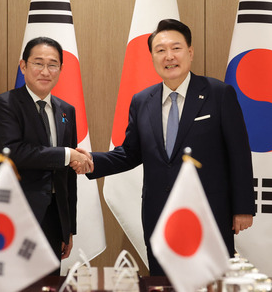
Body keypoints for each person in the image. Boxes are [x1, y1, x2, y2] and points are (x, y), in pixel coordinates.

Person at [76, 19, 255, 276]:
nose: (168, 56)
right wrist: (92, 160)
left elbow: (239, 153)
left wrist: (243, 208)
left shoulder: (219, 93)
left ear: (190, 52)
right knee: (163, 282)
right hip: (159, 215)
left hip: (209, 215)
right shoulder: (142, 101)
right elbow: (130, 152)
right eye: (160, 50)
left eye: (176, 48)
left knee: (211, 282)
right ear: (152, 57)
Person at [0, 37, 92, 274]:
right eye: (38, 63)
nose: (45, 71)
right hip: (14, 215)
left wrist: (68, 227)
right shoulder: (5, 104)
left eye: (53, 64)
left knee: (48, 283)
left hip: (54, 218)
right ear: (23, 66)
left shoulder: (66, 111)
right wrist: (68, 154)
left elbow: (68, 175)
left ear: (60, 69)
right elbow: (13, 152)